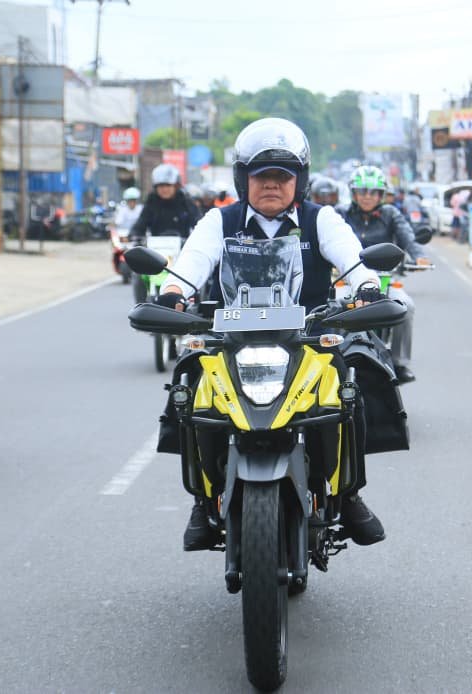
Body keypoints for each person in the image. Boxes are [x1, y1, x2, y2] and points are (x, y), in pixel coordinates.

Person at [155, 117, 387, 551]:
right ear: (245, 180)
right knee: (193, 389)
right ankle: (203, 498)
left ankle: (349, 492)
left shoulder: (322, 220)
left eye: (283, 176)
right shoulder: (218, 221)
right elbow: (191, 263)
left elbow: (353, 260)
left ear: (299, 181)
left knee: (348, 390)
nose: (272, 186)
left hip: (309, 341)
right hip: (231, 343)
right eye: (262, 176)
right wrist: (172, 292)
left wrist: (367, 287)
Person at [338, 165, 431, 384]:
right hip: (347, 280)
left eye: (373, 192)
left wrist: (419, 256)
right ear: (353, 193)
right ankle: (333, 358)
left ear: (381, 195)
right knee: (334, 305)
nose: (367, 197)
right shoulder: (340, 214)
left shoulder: (390, 214)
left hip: (384, 280)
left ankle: (399, 363)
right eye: (362, 191)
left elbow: (407, 236)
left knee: (405, 306)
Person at [129, 164, 201, 303]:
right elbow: (141, 223)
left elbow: (198, 222)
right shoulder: (151, 202)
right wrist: (134, 234)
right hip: (156, 252)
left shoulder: (186, 202)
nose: (164, 189)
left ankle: (197, 302)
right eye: (160, 186)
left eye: (168, 185)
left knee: (198, 272)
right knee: (138, 274)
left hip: (182, 249)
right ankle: (140, 304)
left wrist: (197, 238)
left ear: (176, 185)